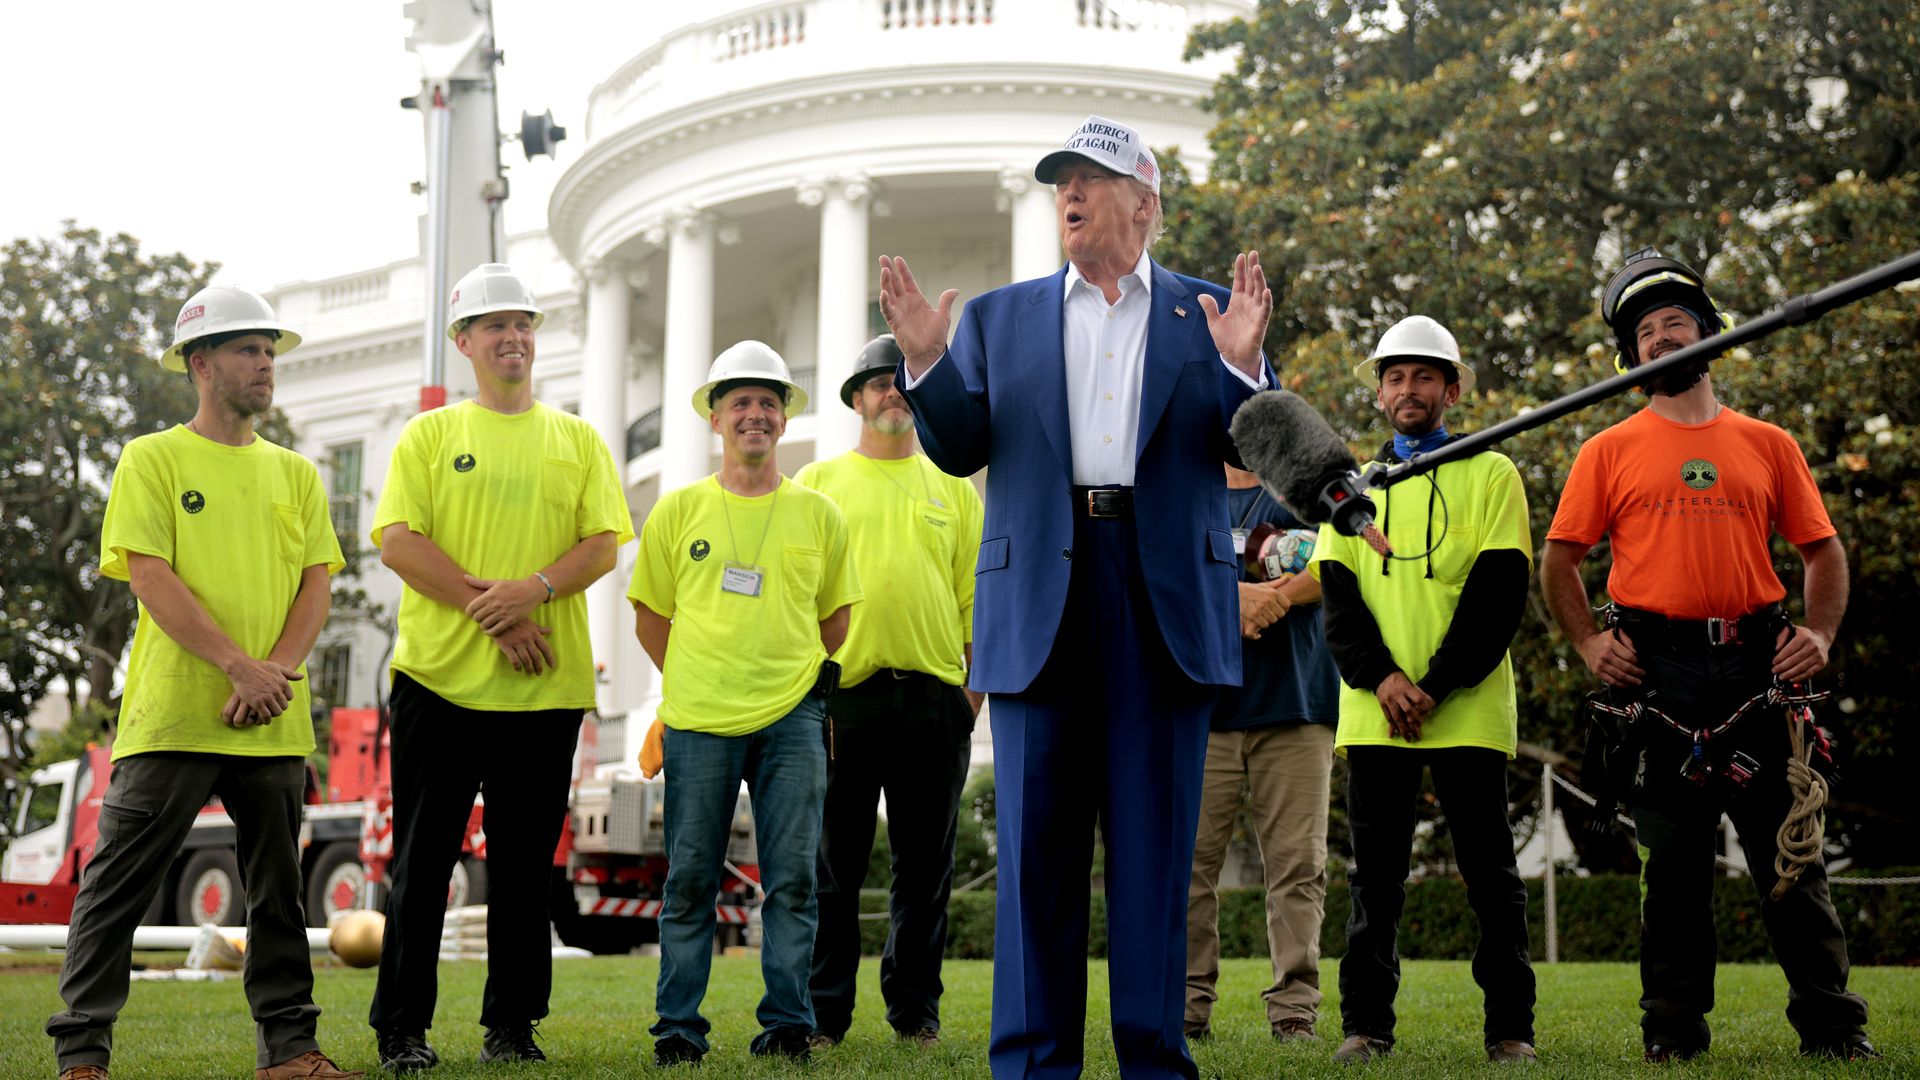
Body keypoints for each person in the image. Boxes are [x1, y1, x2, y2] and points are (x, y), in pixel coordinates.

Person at [878, 113, 1274, 1080]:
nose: (1070, 193)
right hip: (1038, 601)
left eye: (1090, 178)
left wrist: (1241, 366)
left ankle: (1153, 1058)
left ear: (1145, 202)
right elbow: (964, 446)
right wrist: (927, 366)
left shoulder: (1208, 312)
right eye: (1060, 180)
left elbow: (1244, 449)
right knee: (1035, 861)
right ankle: (1031, 1063)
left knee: (1152, 861)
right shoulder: (999, 317)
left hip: (1163, 597)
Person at [1540, 250, 1876, 1062]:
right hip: (1656, 673)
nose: (1662, 337)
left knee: (1790, 858)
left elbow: (1822, 554)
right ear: (1631, 359)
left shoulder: (1767, 442)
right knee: (1677, 869)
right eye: (1645, 331)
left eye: (1676, 322)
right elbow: (1558, 560)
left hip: (1756, 667)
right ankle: (1673, 1034)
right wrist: (1590, 642)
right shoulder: (1608, 450)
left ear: (1710, 335)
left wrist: (1820, 636)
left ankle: (1833, 1030)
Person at [46, 286, 359, 1080]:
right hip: (175, 714)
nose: (265, 365)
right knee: (116, 889)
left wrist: (274, 673)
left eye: (269, 352)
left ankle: (289, 1052)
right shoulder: (152, 458)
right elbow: (149, 576)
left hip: (272, 716)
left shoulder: (294, 474)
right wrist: (236, 666)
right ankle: (83, 1057)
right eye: (248, 350)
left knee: (281, 898)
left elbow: (316, 584)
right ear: (201, 364)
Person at [367, 263, 632, 1070]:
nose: (513, 337)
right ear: (463, 342)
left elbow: (602, 542)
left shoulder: (577, 439)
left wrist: (535, 590)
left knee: (524, 873)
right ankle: (402, 1029)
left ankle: (512, 1028)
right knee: (423, 864)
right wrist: (499, 611)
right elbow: (400, 541)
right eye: (494, 326)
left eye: (523, 323)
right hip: (438, 685)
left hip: (544, 692)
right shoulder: (431, 436)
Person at [1308, 316, 1538, 1066]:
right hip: (1376, 714)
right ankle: (1366, 1027)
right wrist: (1386, 681)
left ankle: (1510, 1031)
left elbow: (1499, 599)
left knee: (1492, 880)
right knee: (1374, 881)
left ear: (1453, 388)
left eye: (1425, 376)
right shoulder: (1346, 490)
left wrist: (1432, 685)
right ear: (1379, 393)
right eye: (1396, 377)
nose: (1409, 389)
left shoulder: (1493, 473)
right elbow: (1338, 606)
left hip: (1466, 709)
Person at [630, 341, 862, 1067]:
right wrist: (703, 676)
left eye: (768, 402)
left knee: (792, 878)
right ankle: (678, 1030)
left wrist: (783, 677)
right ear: (715, 418)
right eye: (740, 403)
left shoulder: (819, 515)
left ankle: (788, 1023)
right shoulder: (678, 511)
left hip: (794, 718)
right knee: (690, 878)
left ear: (785, 419)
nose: (754, 415)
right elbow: (649, 618)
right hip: (698, 722)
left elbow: (836, 620)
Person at [794, 335, 986, 1050]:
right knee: (832, 868)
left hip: (936, 702)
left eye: (902, 382)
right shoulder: (815, 483)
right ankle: (823, 1017)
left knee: (925, 870)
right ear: (855, 397)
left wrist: (970, 701)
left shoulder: (954, 489)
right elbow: (792, 595)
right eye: (877, 383)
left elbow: (975, 605)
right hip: (841, 700)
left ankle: (916, 1014)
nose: (892, 393)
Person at [1184, 464, 1339, 1045]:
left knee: (1299, 869)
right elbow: (1154, 571)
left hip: (1298, 706)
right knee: (1188, 870)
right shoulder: (1182, 486)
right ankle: (1187, 1006)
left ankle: (1295, 1009)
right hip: (1200, 711)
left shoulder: (1312, 487)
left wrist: (1270, 598)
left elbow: (1345, 560)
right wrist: (1233, 599)